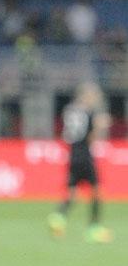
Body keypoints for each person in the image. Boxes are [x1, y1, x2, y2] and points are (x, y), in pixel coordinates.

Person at [48, 82, 113, 243]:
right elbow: (91, 137)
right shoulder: (89, 113)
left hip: (72, 153)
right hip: (84, 154)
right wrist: (100, 126)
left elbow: (67, 133)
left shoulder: (70, 110)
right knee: (97, 190)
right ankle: (94, 228)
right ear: (86, 95)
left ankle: (58, 218)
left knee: (72, 190)